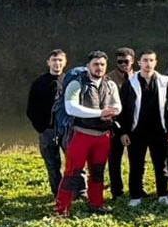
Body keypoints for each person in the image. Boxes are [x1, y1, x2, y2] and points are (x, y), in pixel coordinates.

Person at [54, 51, 122, 215]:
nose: (99, 68)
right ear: (88, 66)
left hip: (103, 136)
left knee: (98, 172)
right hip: (81, 135)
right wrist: (101, 113)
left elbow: (117, 105)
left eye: (102, 65)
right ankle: (61, 209)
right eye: (96, 64)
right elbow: (71, 108)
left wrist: (111, 111)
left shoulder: (110, 84)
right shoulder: (76, 84)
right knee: (72, 172)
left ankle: (96, 204)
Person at [119, 50, 168, 207]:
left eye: (151, 60)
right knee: (136, 164)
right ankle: (135, 196)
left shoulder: (165, 82)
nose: (148, 64)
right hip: (136, 131)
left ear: (156, 62)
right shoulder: (130, 82)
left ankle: (163, 195)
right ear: (139, 63)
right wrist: (123, 131)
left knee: (161, 164)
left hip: (160, 131)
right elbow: (122, 109)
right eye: (145, 60)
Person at [26, 48, 67, 197]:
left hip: (67, 129)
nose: (57, 63)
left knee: (75, 162)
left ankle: (78, 191)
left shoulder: (70, 80)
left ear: (65, 62)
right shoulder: (39, 83)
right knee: (52, 163)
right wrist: (41, 128)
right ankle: (58, 192)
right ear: (48, 62)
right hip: (47, 130)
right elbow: (31, 109)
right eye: (54, 60)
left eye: (60, 60)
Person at [106, 46, 135, 199]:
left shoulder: (138, 77)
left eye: (126, 61)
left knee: (136, 160)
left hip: (134, 125)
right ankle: (117, 191)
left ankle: (136, 188)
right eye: (120, 61)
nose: (123, 64)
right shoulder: (108, 79)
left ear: (133, 61)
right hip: (114, 125)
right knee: (114, 160)